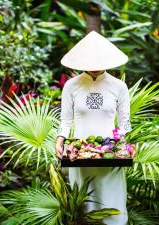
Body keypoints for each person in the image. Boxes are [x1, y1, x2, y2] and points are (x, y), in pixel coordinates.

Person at [55, 31, 132, 225]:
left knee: (111, 203)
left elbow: (125, 123)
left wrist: (121, 147)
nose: (96, 66)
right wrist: (60, 139)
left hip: (110, 153)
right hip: (79, 153)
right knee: (83, 205)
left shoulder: (119, 86)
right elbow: (65, 121)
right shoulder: (71, 86)